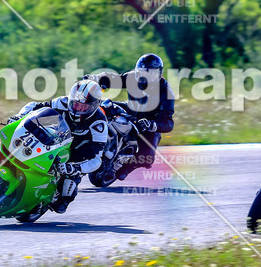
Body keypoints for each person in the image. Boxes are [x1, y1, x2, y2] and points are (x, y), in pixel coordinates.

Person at [11, 78, 108, 214]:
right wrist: (19, 116)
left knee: (61, 204)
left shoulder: (99, 122)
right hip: (55, 138)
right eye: (75, 104)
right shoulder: (61, 102)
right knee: (36, 122)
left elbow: (97, 159)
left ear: (94, 105)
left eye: (83, 107)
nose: (78, 109)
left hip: (76, 154)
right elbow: (33, 106)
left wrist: (76, 167)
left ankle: (55, 194)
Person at [94, 53, 175, 181]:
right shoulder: (132, 77)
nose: (144, 77)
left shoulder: (166, 91)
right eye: (142, 72)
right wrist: (96, 78)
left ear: (158, 74)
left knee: (147, 157)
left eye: (149, 73)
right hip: (130, 109)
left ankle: (123, 167)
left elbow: (168, 123)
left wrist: (152, 125)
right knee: (101, 106)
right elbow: (116, 79)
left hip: (147, 123)